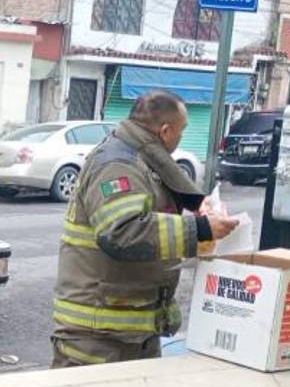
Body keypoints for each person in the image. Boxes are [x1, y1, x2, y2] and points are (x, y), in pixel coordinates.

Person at [51, 90, 239, 367]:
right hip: (99, 337)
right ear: (166, 131)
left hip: (125, 333)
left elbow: (170, 182)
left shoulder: (139, 157)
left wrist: (200, 204)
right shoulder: (117, 165)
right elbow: (122, 232)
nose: (181, 137)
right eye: (182, 131)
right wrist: (200, 228)